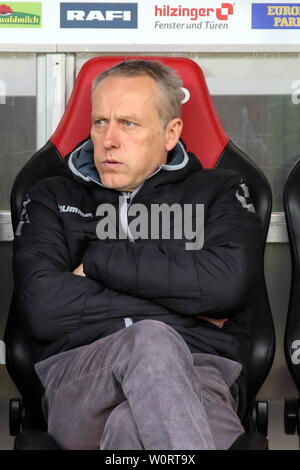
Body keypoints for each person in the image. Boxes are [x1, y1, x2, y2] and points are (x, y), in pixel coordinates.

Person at [13, 59, 264, 450]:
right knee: (150, 340)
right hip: (83, 375)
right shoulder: (52, 196)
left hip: (201, 374)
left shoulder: (219, 191)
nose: (109, 140)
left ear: (170, 132)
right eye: (100, 122)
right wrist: (187, 301)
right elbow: (44, 308)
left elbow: (228, 287)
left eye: (128, 123)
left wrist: (99, 263)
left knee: (133, 425)